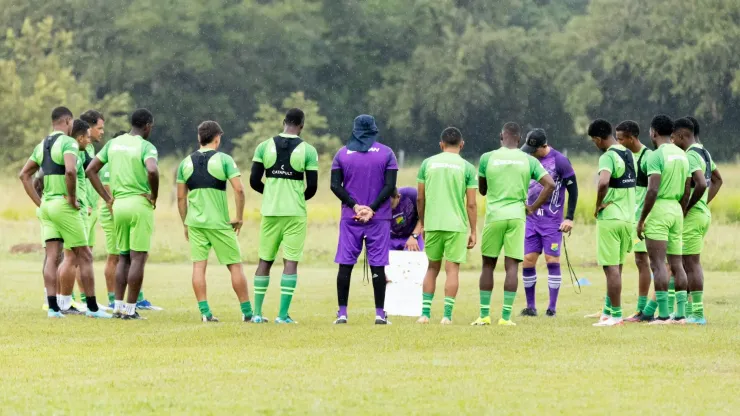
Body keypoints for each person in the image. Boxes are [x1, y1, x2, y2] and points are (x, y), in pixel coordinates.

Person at [18, 107, 111, 318]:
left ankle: (53, 309)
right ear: (68, 121)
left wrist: (40, 203)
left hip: (47, 207)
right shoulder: (68, 142)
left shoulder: (42, 145)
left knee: (52, 256)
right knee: (85, 255)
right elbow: (70, 170)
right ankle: (94, 309)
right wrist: (70, 197)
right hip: (63, 205)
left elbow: (24, 175)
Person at [471, 122, 554, 326]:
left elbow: (482, 190)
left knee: (488, 265)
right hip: (517, 216)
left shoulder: (487, 158)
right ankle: (506, 318)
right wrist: (532, 207)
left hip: (494, 216)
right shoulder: (528, 160)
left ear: (501, 136)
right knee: (511, 267)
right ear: (519, 139)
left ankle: (484, 316)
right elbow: (550, 184)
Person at [87, 108, 159, 320]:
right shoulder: (146, 146)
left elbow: (91, 169)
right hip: (139, 203)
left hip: (118, 206)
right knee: (138, 258)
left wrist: (108, 199)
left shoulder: (113, 144)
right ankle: (130, 309)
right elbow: (153, 170)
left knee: (123, 257)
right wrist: (154, 195)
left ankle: (118, 307)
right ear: (147, 126)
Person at [177, 121, 252, 322]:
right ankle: (247, 313)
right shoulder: (225, 160)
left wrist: (185, 223)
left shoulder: (185, 163)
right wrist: (239, 217)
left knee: (198, 267)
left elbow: (181, 198)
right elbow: (239, 189)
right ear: (217, 138)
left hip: (195, 223)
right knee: (235, 266)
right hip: (219, 223)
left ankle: (205, 313)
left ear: (199, 138)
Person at [249, 108, 318, 324]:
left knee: (265, 260)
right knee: (290, 262)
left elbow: (253, 180)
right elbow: (313, 187)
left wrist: (271, 195)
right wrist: (295, 198)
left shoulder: (263, 146)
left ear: (283, 122)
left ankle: (257, 314)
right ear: (302, 125)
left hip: (270, 212)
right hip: (295, 213)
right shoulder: (308, 150)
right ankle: (282, 315)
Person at [330, 115, 398, 325]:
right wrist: (372, 208)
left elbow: (335, 185)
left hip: (351, 217)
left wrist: (355, 206)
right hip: (379, 218)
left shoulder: (342, 154)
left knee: (345, 264)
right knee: (378, 265)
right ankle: (379, 314)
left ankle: (342, 313)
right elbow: (390, 187)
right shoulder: (387, 153)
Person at [416, 127, 476, 325]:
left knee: (432, 268)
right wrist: (473, 230)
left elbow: (420, 197)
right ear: (462, 144)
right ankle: (447, 316)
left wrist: (423, 223)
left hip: (433, 223)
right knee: (452, 270)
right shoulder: (467, 167)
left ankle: (425, 314)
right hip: (456, 225)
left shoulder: (427, 164)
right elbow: (471, 203)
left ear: (441, 145)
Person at [636, 115, 690, 325]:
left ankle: (664, 315)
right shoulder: (682, 155)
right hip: (677, 210)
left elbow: (653, 189)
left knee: (657, 264)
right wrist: (681, 212)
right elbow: (687, 190)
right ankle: (681, 315)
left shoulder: (655, 156)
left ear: (653, 132)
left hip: (659, 209)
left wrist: (642, 220)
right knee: (677, 265)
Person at [519, 128, 578, 317]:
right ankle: (531, 307)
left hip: (552, 220)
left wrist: (569, 217)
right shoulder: (528, 160)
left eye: (533, 150)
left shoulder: (560, 160)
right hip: (531, 219)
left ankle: (551, 309)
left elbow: (573, 189)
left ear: (544, 146)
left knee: (551, 260)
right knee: (528, 261)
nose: (530, 153)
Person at [587, 119, 636, 327]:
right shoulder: (628, 153)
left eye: (593, 141)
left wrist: (598, 205)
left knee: (610, 269)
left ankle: (616, 316)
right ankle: (608, 312)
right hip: (627, 217)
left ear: (598, 139)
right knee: (618, 267)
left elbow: (604, 181)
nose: (595, 144)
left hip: (611, 217)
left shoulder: (607, 157)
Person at [673, 117, 722, 325]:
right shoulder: (704, 151)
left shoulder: (692, 155)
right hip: (702, 215)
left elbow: (701, 183)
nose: (673, 142)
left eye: (674, 138)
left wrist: (687, 208)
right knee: (687, 263)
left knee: (690, 264)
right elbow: (718, 180)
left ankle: (697, 314)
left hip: (693, 217)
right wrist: (703, 203)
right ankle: (685, 312)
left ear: (683, 136)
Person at [613, 120, 655, 322]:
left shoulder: (648, 157)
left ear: (632, 137)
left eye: (621, 139)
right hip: (628, 217)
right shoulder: (623, 156)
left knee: (645, 261)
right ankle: (610, 306)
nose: (618, 142)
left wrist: (644, 217)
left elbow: (653, 189)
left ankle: (643, 308)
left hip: (643, 219)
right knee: (632, 260)